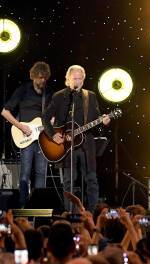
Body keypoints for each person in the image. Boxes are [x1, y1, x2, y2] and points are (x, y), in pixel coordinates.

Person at [43, 65, 110, 211]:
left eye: (80, 78)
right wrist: (53, 135)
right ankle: (69, 212)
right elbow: (45, 117)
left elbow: (97, 117)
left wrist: (103, 120)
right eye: (75, 78)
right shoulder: (59, 96)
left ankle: (91, 214)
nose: (77, 81)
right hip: (65, 146)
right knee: (68, 181)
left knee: (91, 179)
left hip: (87, 144)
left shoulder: (90, 96)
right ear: (67, 79)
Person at [1, 61, 52, 207]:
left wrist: (53, 121)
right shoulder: (23, 90)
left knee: (42, 173)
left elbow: (53, 113)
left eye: (44, 78)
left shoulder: (49, 93)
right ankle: (23, 205)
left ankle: (40, 206)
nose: (42, 81)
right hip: (25, 137)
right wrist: (21, 126)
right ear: (33, 77)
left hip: (43, 137)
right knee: (25, 172)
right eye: (40, 77)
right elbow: (5, 112)